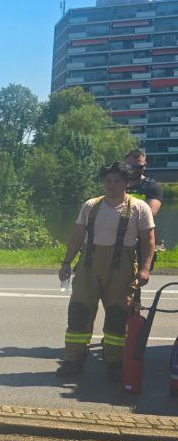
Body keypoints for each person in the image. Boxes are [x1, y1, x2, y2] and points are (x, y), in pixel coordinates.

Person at [57, 161, 156, 381]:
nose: (111, 185)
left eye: (117, 181)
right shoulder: (90, 206)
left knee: (118, 316)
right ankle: (73, 361)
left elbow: (148, 240)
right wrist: (66, 263)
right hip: (89, 265)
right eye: (108, 181)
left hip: (122, 268)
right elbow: (76, 236)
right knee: (79, 312)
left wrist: (145, 269)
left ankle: (114, 363)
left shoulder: (140, 207)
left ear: (126, 183)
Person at [124, 148, 163, 221]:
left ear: (145, 165)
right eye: (129, 167)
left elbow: (149, 214)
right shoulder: (115, 183)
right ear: (124, 165)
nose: (134, 170)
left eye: (139, 167)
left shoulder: (153, 186)